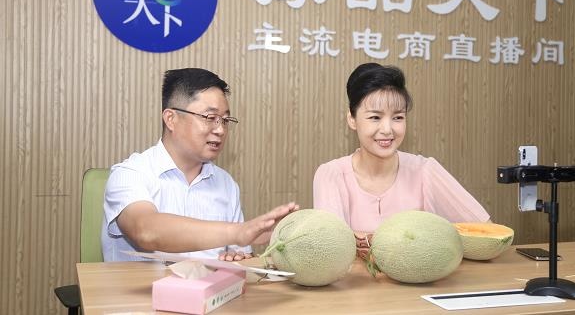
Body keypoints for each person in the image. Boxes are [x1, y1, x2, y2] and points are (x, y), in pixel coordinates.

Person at [102, 68, 298, 262]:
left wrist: (237, 258)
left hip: (210, 292)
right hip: (143, 292)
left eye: (225, 120)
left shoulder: (226, 183)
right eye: (210, 118)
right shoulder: (130, 173)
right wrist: (238, 232)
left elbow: (241, 254)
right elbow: (146, 231)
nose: (220, 130)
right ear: (171, 119)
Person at [313, 63, 490, 257]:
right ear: (352, 119)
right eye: (375, 117)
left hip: (420, 285)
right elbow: (331, 249)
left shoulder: (425, 170)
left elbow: (488, 235)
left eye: (398, 117)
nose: (388, 129)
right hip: (354, 287)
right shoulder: (331, 174)